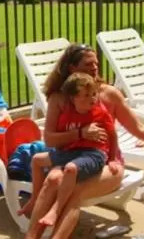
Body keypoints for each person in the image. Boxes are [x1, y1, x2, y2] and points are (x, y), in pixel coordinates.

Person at [25, 43, 144, 239]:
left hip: (106, 162)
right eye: (88, 64)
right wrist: (80, 134)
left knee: (75, 193)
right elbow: (49, 139)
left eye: (96, 64)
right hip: (69, 157)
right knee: (52, 180)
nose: (94, 68)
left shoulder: (109, 94)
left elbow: (139, 129)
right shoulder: (59, 98)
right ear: (72, 68)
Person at [20, 72, 121, 233]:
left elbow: (112, 134)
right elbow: (52, 139)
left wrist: (113, 158)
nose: (93, 99)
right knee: (37, 159)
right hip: (71, 152)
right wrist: (80, 133)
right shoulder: (66, 112)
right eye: (87, 95)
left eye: (94, 94)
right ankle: (33, 199)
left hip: (93, 153)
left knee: (71, 169)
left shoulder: (99, 112)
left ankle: (55, 210)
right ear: (73, 98)